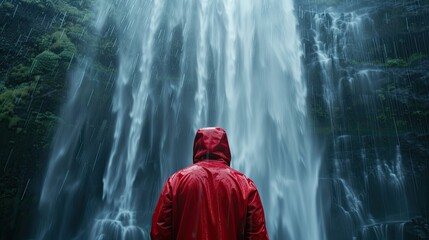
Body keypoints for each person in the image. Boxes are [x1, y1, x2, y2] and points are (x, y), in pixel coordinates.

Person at [151, 127, 269, 240]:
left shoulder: (176, 181)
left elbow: (159, 233)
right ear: (226, 149)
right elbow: (258, 236)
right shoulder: (245, 185)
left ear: (197, 148)